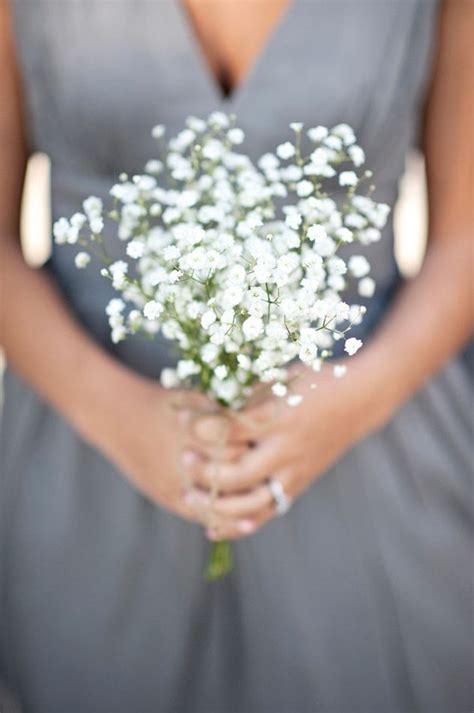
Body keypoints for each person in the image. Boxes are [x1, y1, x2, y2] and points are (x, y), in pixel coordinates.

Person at [0, 1, 472, 711]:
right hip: (82, 468)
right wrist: (123, 417)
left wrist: (346, 403)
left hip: (374, 458)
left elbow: (463, 241)